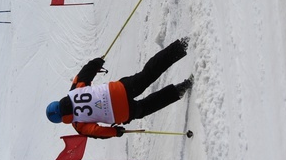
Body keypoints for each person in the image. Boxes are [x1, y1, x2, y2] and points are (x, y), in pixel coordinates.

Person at [45, 37, 193, 139]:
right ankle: (181, 46)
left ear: (61, 120)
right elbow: (86, 72)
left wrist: (116, 131)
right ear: (58, 102)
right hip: (120, 90)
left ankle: (180, 89)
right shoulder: (74, 91)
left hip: (122, 112)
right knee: (148, 74)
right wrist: (97, 63)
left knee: (146, 106)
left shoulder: (78, 125)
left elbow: (97, 131)